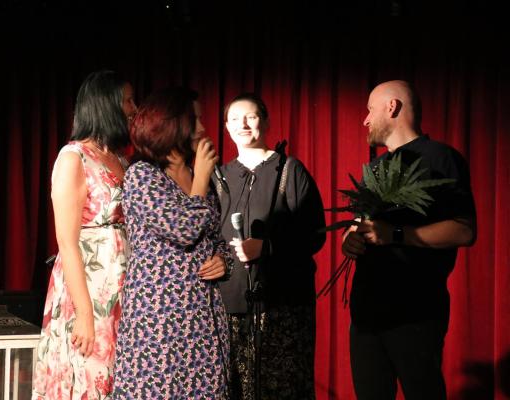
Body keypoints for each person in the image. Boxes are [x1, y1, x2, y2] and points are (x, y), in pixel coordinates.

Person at [342, 80, 477, 400]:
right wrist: (350, 239)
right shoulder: (374, 168)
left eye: (370, 110)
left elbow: (464, 230)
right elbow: (359, 224)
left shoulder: (440, 158)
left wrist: (396, 234)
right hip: (366, 315)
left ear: (392, 107)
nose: (365, 119)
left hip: (415, 312)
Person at [112, 88, 231, 399]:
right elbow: (183, 229)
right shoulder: (142, 176)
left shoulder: (199, 174)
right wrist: (201, 180)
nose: (202, 128)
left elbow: (215, 238)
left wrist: (223, 260)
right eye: (195, 120)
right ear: (171, 124)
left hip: (203, 317)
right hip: (160, 320)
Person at [32, 70, 137, 400]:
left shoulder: (121, 159)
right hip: (91, 286)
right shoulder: (73, 157)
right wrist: (85, 314)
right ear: (107, 104)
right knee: (91, 370)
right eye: (128, 101)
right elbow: (67, 241)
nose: (134, 109)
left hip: (126, 284)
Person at [217, 93, 326, 400]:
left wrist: (267, 247)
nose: (243, 124)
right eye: (235, 119)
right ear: (226, 127)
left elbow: (314, 234)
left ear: (265, 121)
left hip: (284, 304)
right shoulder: (218, 177)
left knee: (282, 389)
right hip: (232, 306)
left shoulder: (289, 170)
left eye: (250, 117)